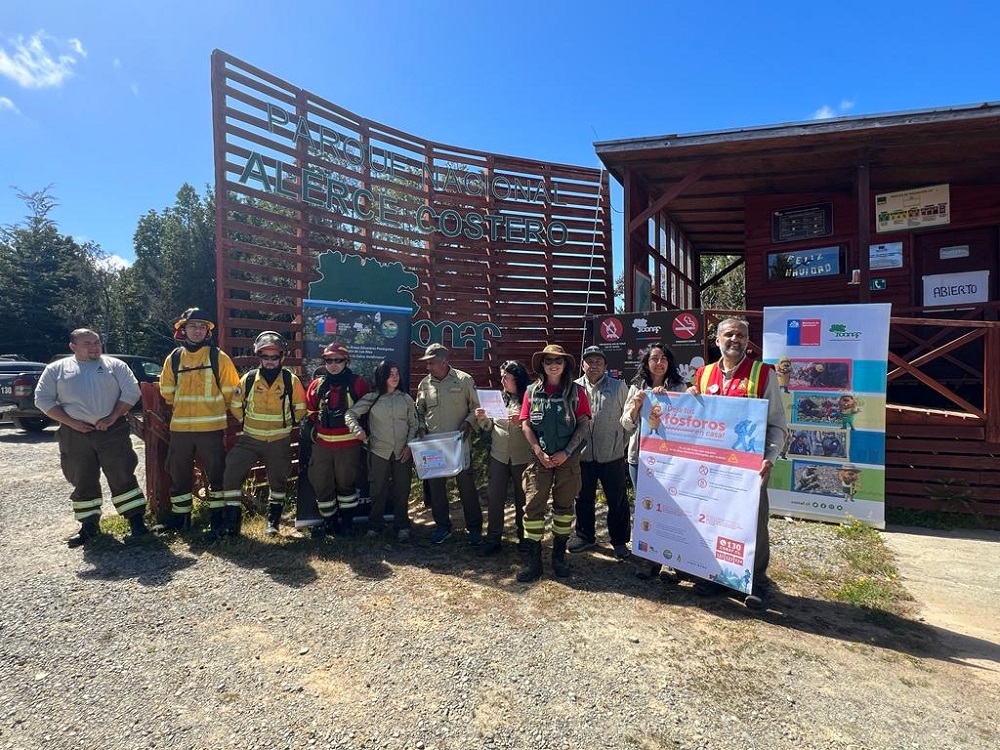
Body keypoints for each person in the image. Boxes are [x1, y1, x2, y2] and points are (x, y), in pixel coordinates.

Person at [689, 318, 788, 609]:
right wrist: (688, 399)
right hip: (714, 468)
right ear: (717, 340)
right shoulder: (703, 375)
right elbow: (695, 421)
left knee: (753, 524)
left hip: (750, 469)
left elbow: (778, 425)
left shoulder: (763, 374)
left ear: (748, 341)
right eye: (728, 334)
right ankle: (714, 575)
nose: (735, 339)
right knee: (712, 519)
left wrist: (769, 459)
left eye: (741, 335)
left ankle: (755, 581)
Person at [34, 328, 149, 547]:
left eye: (96, 342)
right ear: (73, 346)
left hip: (112, 430)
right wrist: (71, 422)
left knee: (122, 472)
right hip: (74, 432)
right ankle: (89, 526)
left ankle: (136, 522)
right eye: (87, 343)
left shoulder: (115, 366)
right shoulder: (57, 369)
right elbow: (43, 400)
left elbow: (131, 392)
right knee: (81, 477)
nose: (94, 347)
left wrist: (113, 416)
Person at [158, 307, 240, 535]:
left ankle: (217, 518)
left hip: (211, 429)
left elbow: (231, 392)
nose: (197, 331)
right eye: (192, 326)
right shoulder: (173, 359)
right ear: (183, 330)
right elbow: (167, 391)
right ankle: (181, 520)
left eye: (202, 327)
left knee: (217, 475)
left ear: (208, 331)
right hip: (180, 429)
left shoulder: (218, 357)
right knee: (179, 474)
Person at [222, 331, 307, 539]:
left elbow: (301, 408)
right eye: (265, 356)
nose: (269, 361)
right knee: (231, 472)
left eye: (274, 356)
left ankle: (273, 523)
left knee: (278, 481)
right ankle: (233, 523)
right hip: (250, 439)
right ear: (259, 357)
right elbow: (235, 405)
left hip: (279, 440)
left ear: (282, 357)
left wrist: (287, 425)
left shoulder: (291, 380)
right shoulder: (249, 379)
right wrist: (247, 423)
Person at [518, 344, 591, 582]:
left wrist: (567, 452)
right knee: (532, 508)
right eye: (548, 361)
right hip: (540, 460)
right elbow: (526, 424)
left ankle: (559, 557)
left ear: (565, 364)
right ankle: (533, 561)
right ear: (542, 365)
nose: (553, 365)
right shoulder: (531, 391)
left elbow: (583, 424)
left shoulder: (577, 392)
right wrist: (538, 451)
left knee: (564, 508)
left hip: (567, 460)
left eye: (558, 360)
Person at [620, 343, 687, 580]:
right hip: (640, 459)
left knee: (672, 509)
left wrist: (684, 396)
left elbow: (690, 417)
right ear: (646, 363)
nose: (659, 363)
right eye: (654, 358)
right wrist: (637, 405)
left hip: (670, 461)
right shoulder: (637, 387)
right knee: (645, 509)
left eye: (664, 359)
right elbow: (626, 424)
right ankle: (648, 558)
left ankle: (671, 560)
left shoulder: (680, 386)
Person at [414, 343, 483, 545]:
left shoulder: (464, 380)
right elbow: (419, 411)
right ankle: (443, 527)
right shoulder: (424, 384)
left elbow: (476, 408)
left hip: (459, 445)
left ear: (444, 362)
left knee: (466, 488)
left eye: (431, 363)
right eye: (426, 363)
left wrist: (469, 423)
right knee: (437, 489)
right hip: (435, 447)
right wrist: (420, 427)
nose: (428, 367)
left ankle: (475, 529)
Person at [568, 346, 630, 559]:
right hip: (582, 455)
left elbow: (628, 419)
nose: (593, 365)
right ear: (583, 364)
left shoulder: (618, 386)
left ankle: (620, 540)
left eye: (598, 362)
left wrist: (620, 445)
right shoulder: (573, 388)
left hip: (612, 455)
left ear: (605, 365)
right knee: (582, 498)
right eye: (589, 361)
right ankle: (585, 536)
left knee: (617, 500)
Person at [345, 359, 417, 541]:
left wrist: (409, 445)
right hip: (379, 451)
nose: (395, 377)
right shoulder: (372, 398)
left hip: (403, 452)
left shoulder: (405, 398)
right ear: (382, 376)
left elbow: (414, 424)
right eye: (390, 374)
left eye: (397, 374)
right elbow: (350, 414)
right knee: (377, 490)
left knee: (402, 490)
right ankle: (375, 526)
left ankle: (402, 526)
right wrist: (357, 430)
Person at [305, 342, 370, 537]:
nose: (333, 364)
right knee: (322, 485)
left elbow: (366, 412)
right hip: (322, 445)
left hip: (349, 445)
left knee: (346, 485)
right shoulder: (316, 385)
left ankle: (348, 524)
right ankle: (330, 524)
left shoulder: (358, 383)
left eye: (338, 360)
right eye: (328, 360)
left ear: (346, 361)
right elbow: (310, 412)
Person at [474, 360, 532, 556]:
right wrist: (482, 418)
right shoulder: (499, 399)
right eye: (501, 377)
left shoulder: (530, 397)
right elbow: (490, 427)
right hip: (498, 455)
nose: (502, 380)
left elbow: (539, 425)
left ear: (517, 378)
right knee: (495, 497)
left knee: (523, 499)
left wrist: (524, 420)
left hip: (522, 456)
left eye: (505, 377)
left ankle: (525, 539)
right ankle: (493, 539)